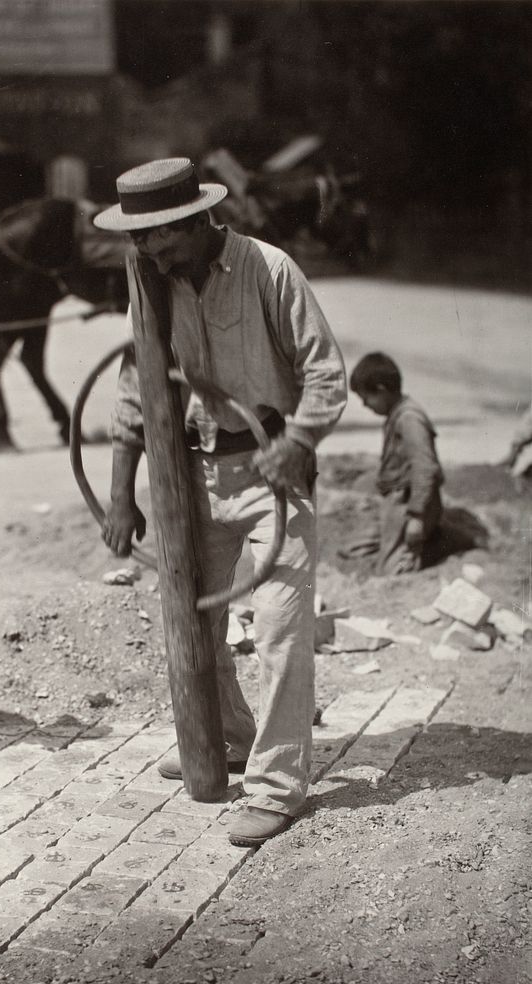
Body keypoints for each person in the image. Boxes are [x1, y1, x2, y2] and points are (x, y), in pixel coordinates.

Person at [93, 158, 347, 847]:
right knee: (192, 624)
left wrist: (296, 441)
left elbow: (326, 372)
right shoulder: (150, 285)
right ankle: (231, 737)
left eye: (158, 235)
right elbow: (132, 391)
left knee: (280, 629)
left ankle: (274, 787)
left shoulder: (268, 270)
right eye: (138, 238)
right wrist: (121, 494)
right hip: (192, 479)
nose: (146, 249)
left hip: (273, 479)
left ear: (198, 220)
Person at [341, 351, 444, 574]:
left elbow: (425, 467)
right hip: (394, 500)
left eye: (366, 398)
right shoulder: (396, 414)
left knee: (389, 570)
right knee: (353, 547)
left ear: (381, 389)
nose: (365, 405)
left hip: (409, 503)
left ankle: (434, 541)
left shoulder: (409, 418)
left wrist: (416, 517)